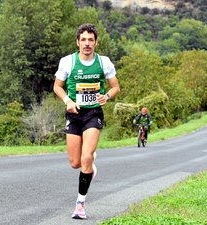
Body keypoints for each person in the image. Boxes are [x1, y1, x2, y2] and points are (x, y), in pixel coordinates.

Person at [53, 23, 120, 219]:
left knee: (85, 158)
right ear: (77, 42)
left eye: (91, 39)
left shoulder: (104, 62)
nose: (87, 43)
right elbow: (57, 87)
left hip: (93, 114)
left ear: (96, 42)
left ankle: (80, 204)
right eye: (83, 39)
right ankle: (90, 164)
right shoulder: (68, 62)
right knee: (75, 163)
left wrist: (106, 96)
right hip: (74, 114)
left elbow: (115, 87)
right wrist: (67, 101)